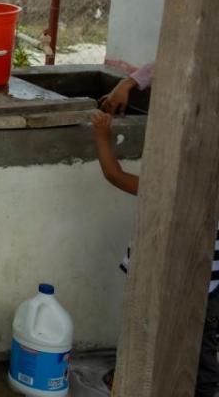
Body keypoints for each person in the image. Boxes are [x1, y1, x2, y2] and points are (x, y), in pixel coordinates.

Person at [92, 65, 219, 396]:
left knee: (152, 329)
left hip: (166, 271)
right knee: (198, 340)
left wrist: (102, 136)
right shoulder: (204, 182)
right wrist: (128, 83)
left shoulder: (174, 186)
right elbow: (170, 61)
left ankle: (139, 379)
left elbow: (115, 175)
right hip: (209, 281)